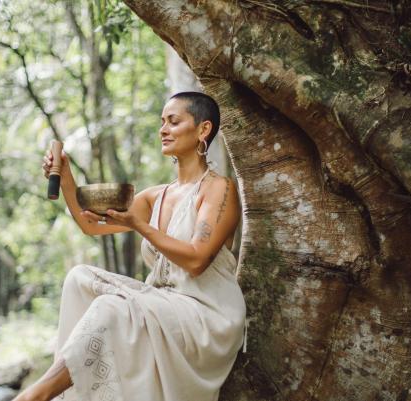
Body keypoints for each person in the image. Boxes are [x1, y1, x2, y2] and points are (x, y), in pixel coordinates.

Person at [14, 92, 246, 401]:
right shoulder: (157, 196)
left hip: (206, 317)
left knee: (110, 307)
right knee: (79, 278)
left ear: (203, 130)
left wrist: (140, 226)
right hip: (163, 304)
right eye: (162, 122)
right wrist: (65, 174)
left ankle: (36, 395)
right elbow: (90, 225)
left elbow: (196, 260)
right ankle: (63, 392)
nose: (163, 129)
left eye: (174, 122)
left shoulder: (219, 189)